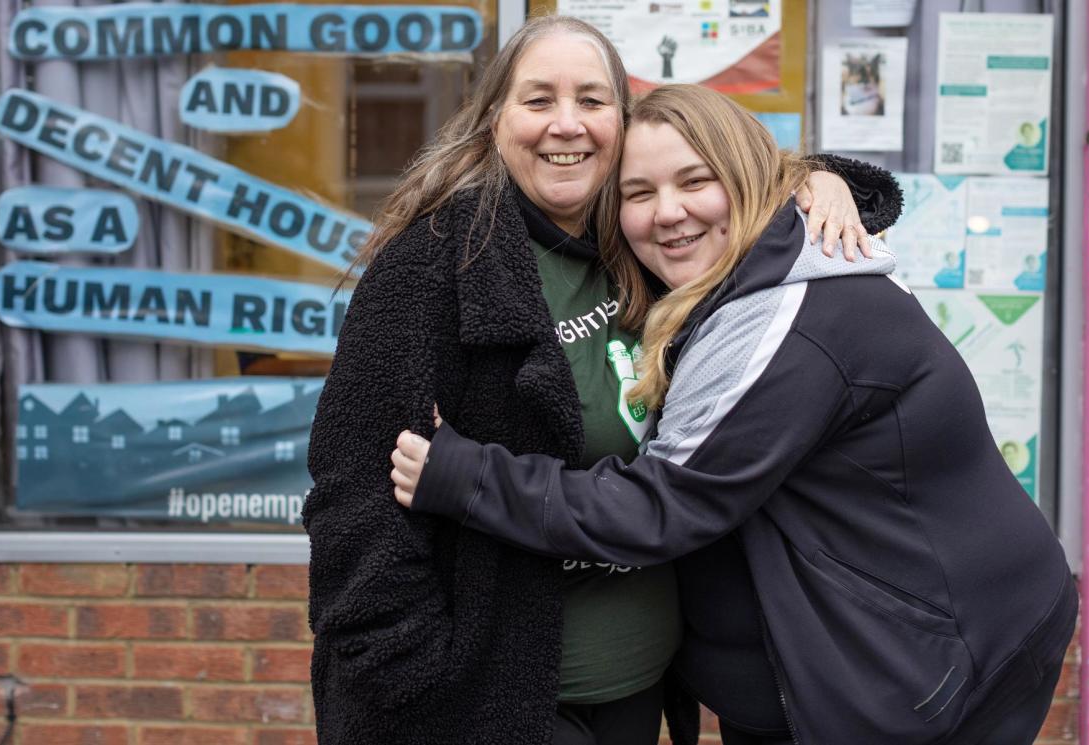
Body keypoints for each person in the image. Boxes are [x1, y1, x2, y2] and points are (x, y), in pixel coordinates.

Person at [392, 85, 1077, 745]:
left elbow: (657, 506)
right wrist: (820, 175)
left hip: (932, 668)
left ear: (750, 180)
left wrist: (467, 474)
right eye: (638, 192)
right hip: (866, 661)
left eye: (695, 181)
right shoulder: (757, 271)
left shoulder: (789, 322)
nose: (666, 212)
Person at [304, 15, 903, 745]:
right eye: (538, 100)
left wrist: (812, 179)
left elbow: (736, 199)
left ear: (623, 122)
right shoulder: (434, 265)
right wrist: (419, 686)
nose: (567, 124)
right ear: (494, 120)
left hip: (639, 681)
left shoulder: (643, 239)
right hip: (495, 700)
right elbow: (353, 504)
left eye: (591, 100)